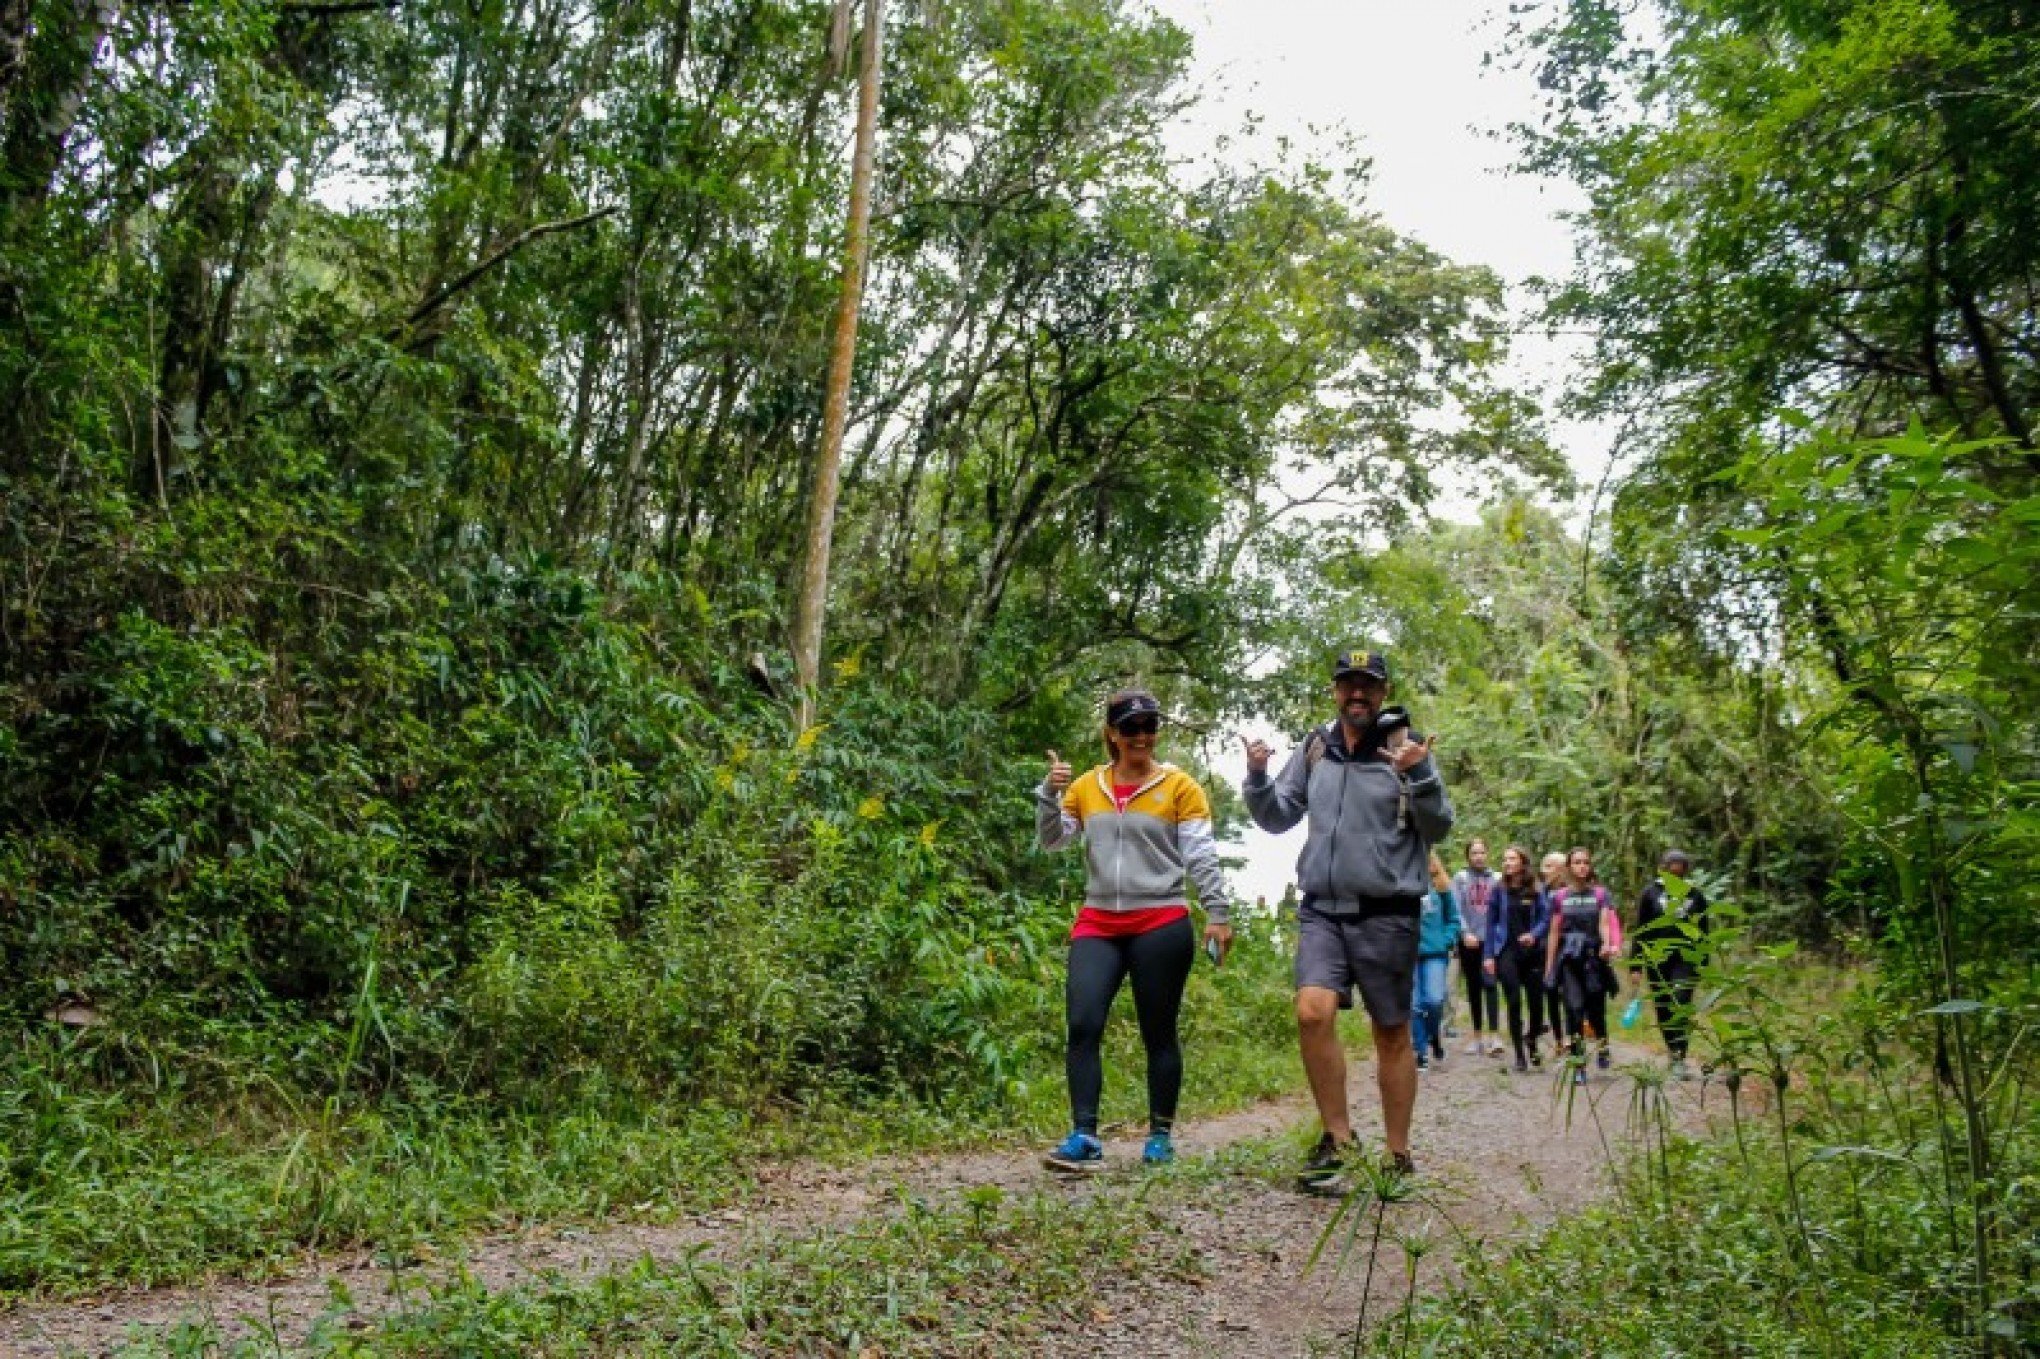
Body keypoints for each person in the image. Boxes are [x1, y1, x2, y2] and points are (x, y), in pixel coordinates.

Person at [1241, 651, 1454, 1187]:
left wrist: (1419, 773)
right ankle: (1337, 1141)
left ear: (1383, 692)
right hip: (1322, 909)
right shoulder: (1316, 747)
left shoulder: (1405, 749)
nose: (1357, 694)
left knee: (1391, 1032)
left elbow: (1440, 826)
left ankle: (1398, 1155)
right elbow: (1276, 817)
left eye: (1368, 685)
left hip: (1388, 911)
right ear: (1336, 690)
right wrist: (1258, 776)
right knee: (1312, 1013)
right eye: (1348, 685)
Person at [1037, 688, 1234, 1171]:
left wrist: (1218, 913)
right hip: (1099, 920)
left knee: (1158, 1031)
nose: (1141, 736)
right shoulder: (1087, 787)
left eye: (1149, 727)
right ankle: (1084, 1136)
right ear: (1112, 734)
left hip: (1161, 920)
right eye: (1131, 728)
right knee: (1083, 1024)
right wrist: (1048, 794)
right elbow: (1052, 840)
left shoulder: (1180, 787)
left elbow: (1201, 856)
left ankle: (1160, 1136)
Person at [1542, 846, 1622, 1084]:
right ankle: (1578, 1064)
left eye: (1585, 862)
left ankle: (1603, 1045)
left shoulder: (1600, 895)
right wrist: (1549, 968)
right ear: (1569, 867)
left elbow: (1604, 923)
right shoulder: (1559, 897)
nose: (1582, 866)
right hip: (1568, 960)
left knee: (1596, 1012)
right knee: (1574, 1010)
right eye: (1577, 862)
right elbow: (1554, 932)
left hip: (1593, 959)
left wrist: (1606, 945)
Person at [1630, 849, 1709, 1079]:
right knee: (1663, 1006)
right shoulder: (1650, 894)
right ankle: (1672, 1051)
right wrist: (1636, 964)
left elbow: (1704, 929)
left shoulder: (1694, 895)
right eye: (1671, 868)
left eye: (1680, 869)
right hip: (1657, 959)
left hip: (1686, 959)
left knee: (1680, 1000)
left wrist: (1704, 961)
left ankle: (1680, 1055)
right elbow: (1640, 930)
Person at [1482, 845, 1549, 1072]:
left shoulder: (1536, 890)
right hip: (1506, 951)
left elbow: (1545, 918)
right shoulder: (1498, 890)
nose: (1507, 863)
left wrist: (1534, 934)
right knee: (1513, 1002)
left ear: (1522, 862)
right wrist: (1489, 955)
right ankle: (1520, 1053)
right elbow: (1490, 924)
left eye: (1512, 859)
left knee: (1536, 1005)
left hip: (1532, 953)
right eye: (1505, 859)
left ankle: (1532, 1038)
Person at [1451, 839, 1502, 1056]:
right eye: (1474, 853)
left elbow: (1502, 911)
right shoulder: (1461, 878)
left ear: (1488, 854)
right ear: (1468, 856)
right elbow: (1456, 908)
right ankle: (1477, 1035)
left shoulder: (1498, 879)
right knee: (1473, 988)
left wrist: (1498, 937)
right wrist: (1464, 933)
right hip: (1470, 942)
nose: (1479, 856)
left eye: (1482, 852)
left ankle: (1495, 1036)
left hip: (1491, 942)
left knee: (1491, 985)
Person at [1412, 853, 1462, 1072]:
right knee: (1415, 1005)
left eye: (1429, 860)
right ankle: (1420, 1052)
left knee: (1434, 1000)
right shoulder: (1403, 887)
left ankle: (1434, 1036)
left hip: (1435, 953)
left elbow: (1453, 919)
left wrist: (1447, 940)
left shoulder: (1441, 890)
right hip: (1408, 955)